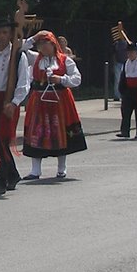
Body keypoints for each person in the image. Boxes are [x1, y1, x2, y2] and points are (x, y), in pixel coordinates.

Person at [22, 30, 85, 180]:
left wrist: (61, 79)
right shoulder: (35, 58)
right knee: (36, 132)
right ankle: (35, 170)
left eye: (46, 43)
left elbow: (77, 79)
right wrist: (34, 37)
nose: (43, 46)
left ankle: (61, 168)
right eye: (40, 43)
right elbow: (20, 48)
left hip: (60, 101)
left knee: (61, 132)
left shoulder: (65, 60)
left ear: (53, 44)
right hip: (39, 101)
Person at [0, 15, 32, 194]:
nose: (2, 36)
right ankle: (12, 174)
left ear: (10, 34)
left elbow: (24, 82)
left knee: (2, 140)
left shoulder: (18, 55)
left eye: (5, 32)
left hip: (7, 102)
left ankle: (1, 179)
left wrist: (15, 102)